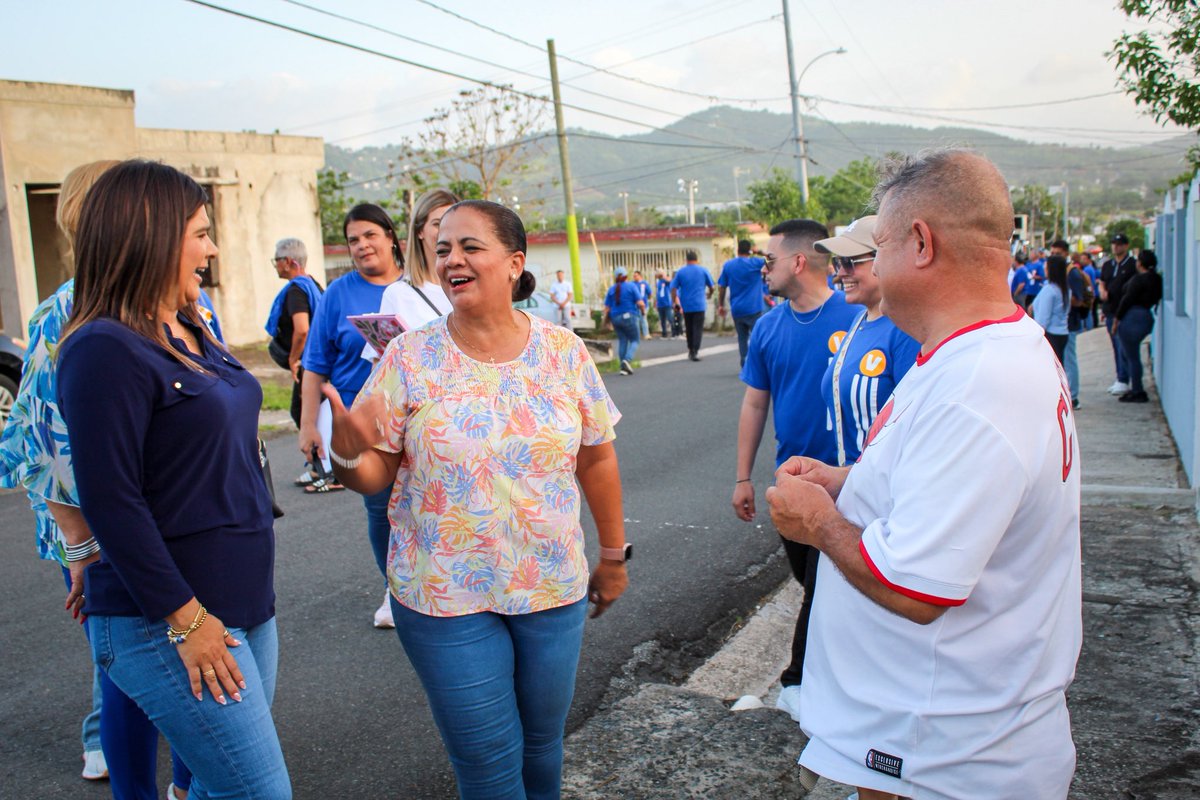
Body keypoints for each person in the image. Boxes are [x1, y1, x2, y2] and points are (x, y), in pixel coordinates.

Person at [767, 150, 1080, 799]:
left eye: (877, 247)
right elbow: (947, 483)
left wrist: (816, 522)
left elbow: (916, 590)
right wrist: (847, 481)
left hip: (940, 751)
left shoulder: (977, 384)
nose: (871, 266)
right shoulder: (984, 350)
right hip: (940, 732)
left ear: (920, 243)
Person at [323, 199, 630, 799]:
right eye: (442, 250)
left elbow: (597, 456)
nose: (451, 259)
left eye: (469, 247)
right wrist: (344, 454)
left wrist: (614, 556)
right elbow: (373, 474)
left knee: (543, 748)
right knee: (489, 763)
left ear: (514, 263)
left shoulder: (564, 352)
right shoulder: (408, 356)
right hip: (443, 594)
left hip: (549, 586)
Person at [56, 159, 290, 799]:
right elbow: (112, 500)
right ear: (151, 235)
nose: (211, 249)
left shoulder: (190, 322)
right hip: (169, 617)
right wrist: (188, 622)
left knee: (218, 789)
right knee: (256, 793)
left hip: (242, 601)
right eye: (200, 233)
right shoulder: (103, 347)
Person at [0, 159, 201, 800]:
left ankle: (191, 784)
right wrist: (84, 548)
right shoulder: (67, 314)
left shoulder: (182, 304)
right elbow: (40, 445)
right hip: (108, 535)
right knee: (131, 675)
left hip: (183, 527)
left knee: (196, 672)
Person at [731, 218, 862, 724]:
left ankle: (800, 685)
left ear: (799, 262)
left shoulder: (855, 314)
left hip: (848, 484)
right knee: (815, 587)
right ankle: (828, 683)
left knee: (830, 584)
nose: (763, 268)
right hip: (792, 484)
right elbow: (754, 404)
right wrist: (744, 477)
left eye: (770, 260)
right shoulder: (767, 328)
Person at [300, 202, 405, 628]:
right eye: (353, 240)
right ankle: (395, 589)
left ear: (392, 238)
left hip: (414, 417)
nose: (362, 246)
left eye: (369, 236)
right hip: (362, 424)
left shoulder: (421, 284)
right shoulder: (338, 294)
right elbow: (315, 363)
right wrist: (309, 424)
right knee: (380, 507)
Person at [814, 216, 920, 466]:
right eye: (838, 262)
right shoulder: (859, 321)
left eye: (850, 262)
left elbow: (913, 429)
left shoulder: (907, 330)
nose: (840, 273)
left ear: (885, 259)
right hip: (853, 487)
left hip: (883, 495)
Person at [265, 237, 324, 484]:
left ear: (289, 261)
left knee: (303, 412)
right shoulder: (314, 285)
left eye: (276, 260)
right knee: (316, 412)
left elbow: (302, 329)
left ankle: (319, 466)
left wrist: (293, 359)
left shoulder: (296, 291)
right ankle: (321, 464)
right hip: (318, 360)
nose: (275, 265)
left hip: (307, 363)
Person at [375, 188, 457, 331]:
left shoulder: (474, 288)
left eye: (454, 223)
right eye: (437, 223)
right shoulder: (397, 295)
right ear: (420, 231)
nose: (446, 231)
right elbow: (382, 352)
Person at [1114, 249, 1163, 404]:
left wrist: (1116, 320)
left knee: (1131, 356)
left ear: (1140, 263)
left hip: (1133, 318)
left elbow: (1127, 300)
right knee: (1129, 354)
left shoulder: (1139, 280)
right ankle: (1135, 387)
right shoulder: (1156, 279)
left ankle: (1137, 389)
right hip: (1146, 317)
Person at [717, 239, 768, 367]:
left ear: (738, 249)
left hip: (737, 309)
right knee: (758, 336)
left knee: (742, 337)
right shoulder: (755, 263)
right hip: (753, 308)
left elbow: (722, 286)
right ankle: (759, 363)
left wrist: (721, 305)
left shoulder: (728, 265)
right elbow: (772, 259)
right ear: (749, 250)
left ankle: (744, 360)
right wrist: (759, 251)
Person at [1099, 233, 1137, 395]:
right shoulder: (1108, 264)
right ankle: (1120, 377)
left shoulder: (1132, 265)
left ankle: (1125, 378)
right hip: (1110, 310)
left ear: (1126, 246)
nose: (1116, 246)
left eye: (1119, 244)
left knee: (1123, 346)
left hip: (1125, 312)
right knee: (1116, 346)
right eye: (1114, 243)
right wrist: (1102, 291)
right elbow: (1102, 281)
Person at [670, 249, 715, 361]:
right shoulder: (703, 270)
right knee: (697, 328)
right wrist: (709, 294)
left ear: (687, 260)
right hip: (699, 304)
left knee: (689, 328)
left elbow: (673, 288)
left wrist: (674, 301)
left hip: (686, 305)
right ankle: (695, 350)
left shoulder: (681, 272)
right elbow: (712, 286)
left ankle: (690, 349)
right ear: (697, 259)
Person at [605, 265, 644, 375]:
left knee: (623, 340)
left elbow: (607, 308)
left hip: (615, 318)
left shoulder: (611, 289)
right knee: (635, 340)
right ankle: (627, 359)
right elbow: (640, 302)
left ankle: (623, 367)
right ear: (626, 276)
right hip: (629, 316)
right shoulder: (631, 286)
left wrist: (607, 321)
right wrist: (643, 311)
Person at [1032, 254, 1071, 364]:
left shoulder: (1049, 290)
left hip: (1051, 334)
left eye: (1046, 266)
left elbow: (1043, 320)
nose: (1044, 268)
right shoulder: (1065, 288)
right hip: (1063, 333)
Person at [653, 269, 675, 338]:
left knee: (670, 318)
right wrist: (656, 302)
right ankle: (664, 333)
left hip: (667, 303)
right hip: (660, 303)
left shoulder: (666, 280)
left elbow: (670, 280)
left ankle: (674, 331)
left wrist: (663, 275)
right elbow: (658, 292)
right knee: (662, 320)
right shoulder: (658, 282)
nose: (657, 275)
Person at [632, 270, 651, 339]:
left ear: (640, 276)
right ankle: (637, 335)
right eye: (633, 276)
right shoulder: (632, 284)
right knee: (636, 321)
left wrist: (646, 299)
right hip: (635, 305)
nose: (634, 277)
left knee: (643, 319)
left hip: (644, 304)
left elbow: (650, 293)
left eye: (635, 276)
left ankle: (646, 334)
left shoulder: (645, 283)